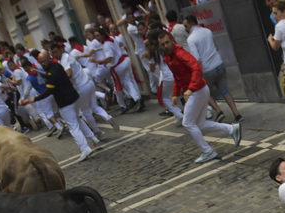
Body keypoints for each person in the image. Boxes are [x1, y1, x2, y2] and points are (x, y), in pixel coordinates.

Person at [151, 29, 242, 164]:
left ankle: (207, 151)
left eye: (167, 43)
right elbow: (178, 77)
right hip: (198, 90)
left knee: (187, 123)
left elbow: (196, 68)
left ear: (172, 41)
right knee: (200, 124)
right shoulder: (169, 58)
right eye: (163, 44)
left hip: (197, 90)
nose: (165, 46)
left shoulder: (180, 54)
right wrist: (176, 94)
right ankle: (231, 129)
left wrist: (190, 89)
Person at [23, 50, 97, 162]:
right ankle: (93, 137)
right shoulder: (57, 66)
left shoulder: (51, 73)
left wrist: (36, 98)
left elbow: (49, 90)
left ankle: (85, 148)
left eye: (44, 61)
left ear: (48, 59)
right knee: (77, 120)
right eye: (41, 62)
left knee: (73, 126)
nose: (42, 63)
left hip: (65, 102)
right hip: (73, 97)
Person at [183, 15, 242, 122]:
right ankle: (237, 114)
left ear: (192, 24)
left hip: (207, 69)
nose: (185, 29)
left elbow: (196, 58)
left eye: (186, 26)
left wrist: (196, 71)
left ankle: (219, 111)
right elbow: (216, 47)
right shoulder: (207, 31)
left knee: (204, 91)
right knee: (225, 91)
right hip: (219, 64)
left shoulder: (191, 39)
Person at [93, 27, 143, 114]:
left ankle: (124, 105)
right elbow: (119, 46)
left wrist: (96, 61)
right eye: (95, 36)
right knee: (128, 82)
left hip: (118, 66)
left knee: (117, 87)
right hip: (123, 61)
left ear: (102, 35)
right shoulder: (111, 38)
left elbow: (109, 58)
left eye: (98, 35)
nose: (97, 38)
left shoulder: (106, 45)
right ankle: (137, 98)